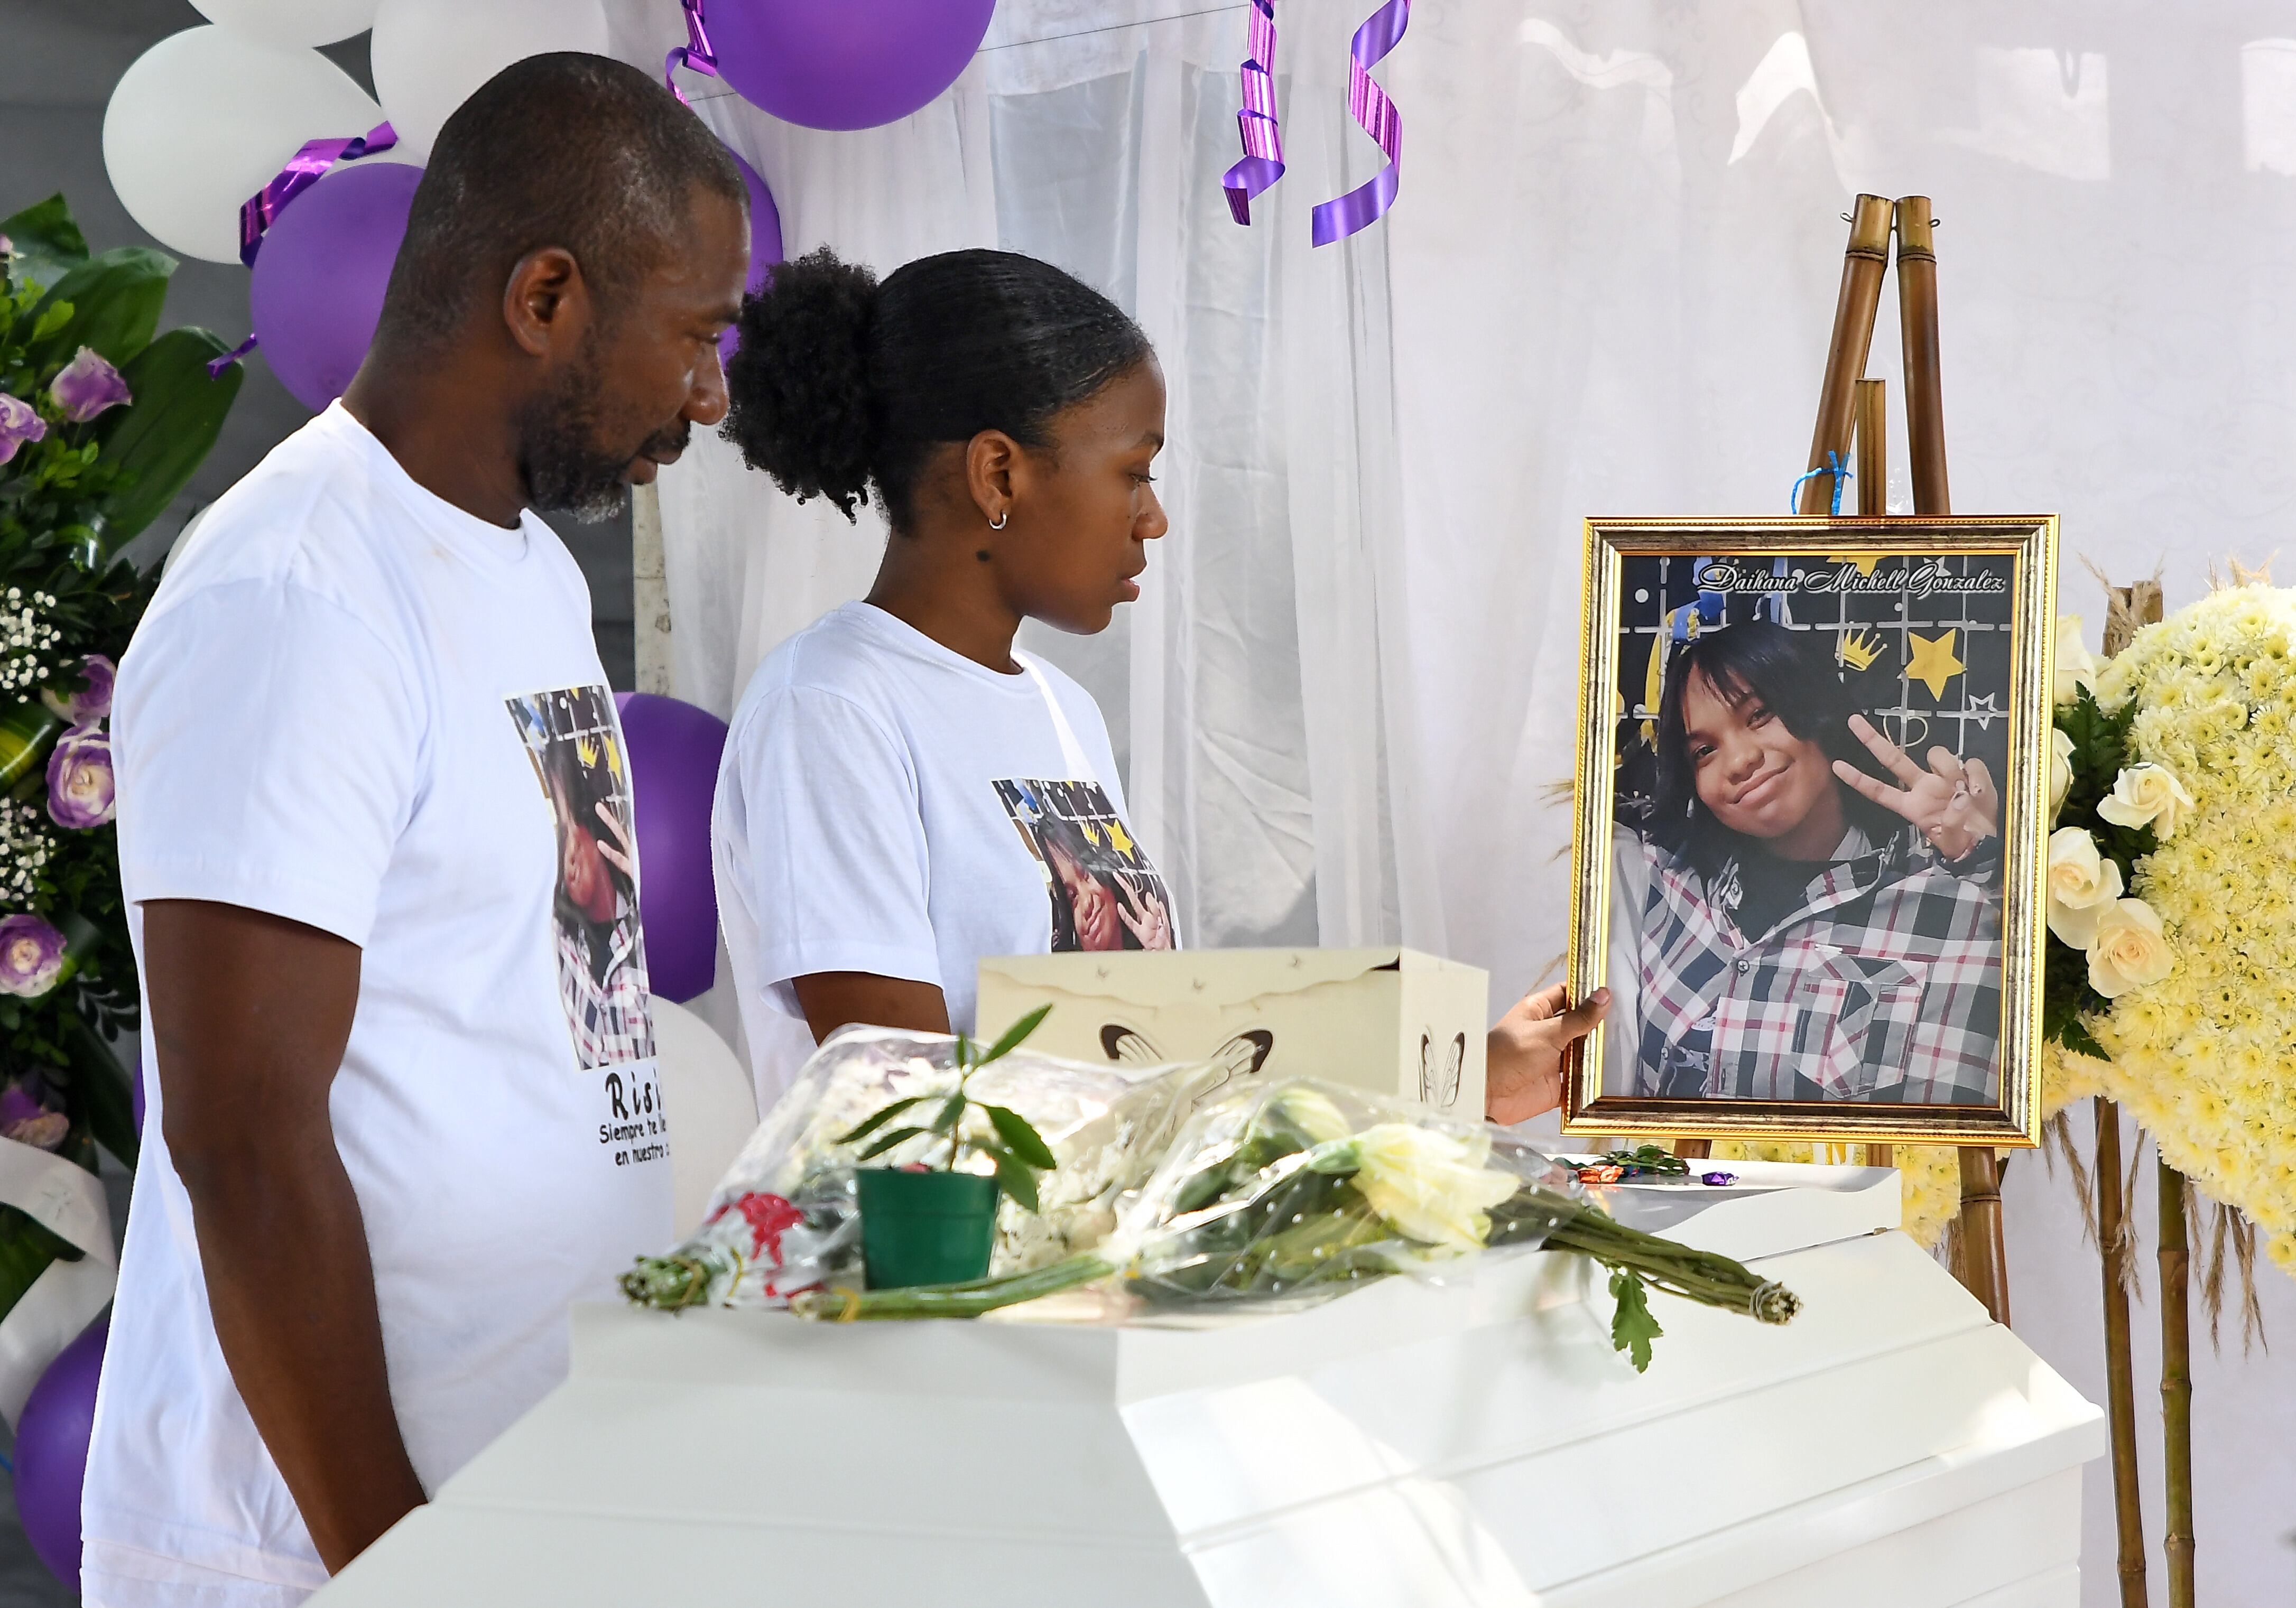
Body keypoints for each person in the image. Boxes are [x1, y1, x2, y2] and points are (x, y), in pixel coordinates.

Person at [88, 53, 749, 1608]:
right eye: (696, 335)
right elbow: (244, 1142)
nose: (712, 393)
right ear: (543, 298)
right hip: (318, 1544)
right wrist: (406, 1566)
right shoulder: (298, 596)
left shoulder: (512, 563)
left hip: (522, 1490)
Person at [710, 247, 1602, 1118]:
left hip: (1102, 1248)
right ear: (997, 473)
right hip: (938, 1267)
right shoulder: (829, 707)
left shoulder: (1064, 714)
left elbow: (1142, 1055)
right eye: (1133, 471)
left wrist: (1450, 1080)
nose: (1155, 517)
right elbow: (904, 1111)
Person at [1608, 618, 2003, 1104]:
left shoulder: (1955, 897)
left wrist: (1984, 857)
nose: (1738, 761)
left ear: (1817, 709)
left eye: (1758, 716)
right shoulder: (1664, 885)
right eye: (1704, 751)